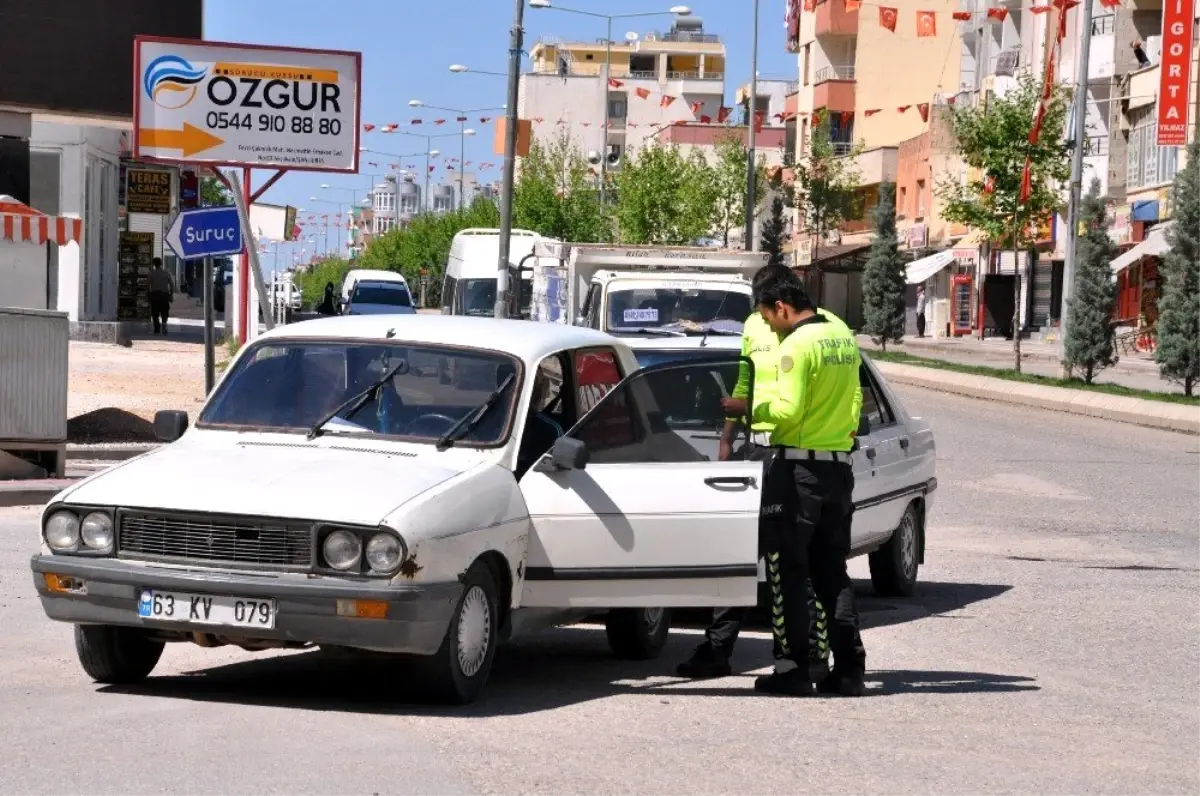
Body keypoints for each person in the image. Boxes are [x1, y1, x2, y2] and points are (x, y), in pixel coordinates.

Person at [676, 266, 830, 682]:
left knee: (792, 562)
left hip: (796, 453)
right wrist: (727, 441)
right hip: (757, 449)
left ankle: (803, 655)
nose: (765, 317)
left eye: (766, 307)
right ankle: (717, 649)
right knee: (739, 552)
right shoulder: (753, 326)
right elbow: (744, 381)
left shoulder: (818, 329)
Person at [721, 272, 866, 697]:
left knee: (792, 573)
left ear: (781, 307)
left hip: (799, 473)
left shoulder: (796, 346)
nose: (769, 327)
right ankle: (850, 670)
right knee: (833, 575)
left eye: (769, 318)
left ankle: (796, 671)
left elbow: (787, 409)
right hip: (838, 470)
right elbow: (856, 400)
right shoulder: (841, 333)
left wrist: (746, 409)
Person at [148, 257, 175, 336]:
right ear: (161, 263)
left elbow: (147, 285)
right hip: (164, 295)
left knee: (155, 313)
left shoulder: (151, 273)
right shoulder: (166, 273)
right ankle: (164, 323)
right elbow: (171, 285)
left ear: (154, 264)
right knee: (164, 312)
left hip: (155, 295)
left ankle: (156, 329)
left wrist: (148, 294)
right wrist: (171, 294)